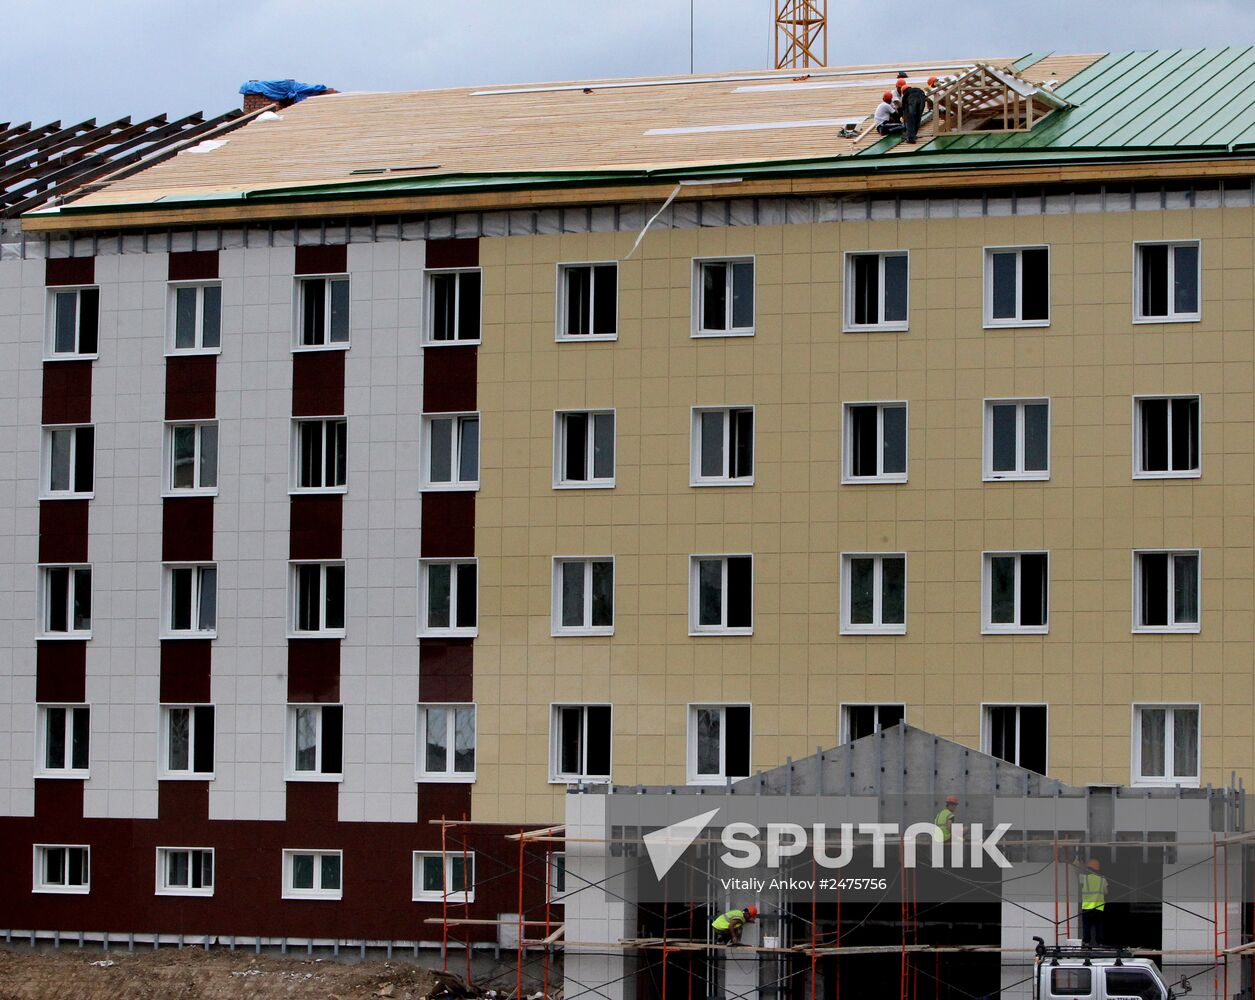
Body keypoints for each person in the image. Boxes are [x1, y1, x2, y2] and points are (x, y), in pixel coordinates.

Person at [1078, 858, 1108, 947]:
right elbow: (1106, 892)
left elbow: (1076, 872)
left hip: (1087, 907)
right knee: (1099, 926)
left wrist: (1080, 865)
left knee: (1087, 926)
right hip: (1099, 907)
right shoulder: (1102, 879)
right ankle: (1100, 943)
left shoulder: (1084, 878)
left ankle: (1086, 942)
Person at [897, 78, 932, 144]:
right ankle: (913, 135)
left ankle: (910, 138)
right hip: (921, 99)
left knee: (911, 118)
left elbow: (905, 111)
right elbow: (926, 98)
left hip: (912, 100)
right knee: (918, 117)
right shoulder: (918, 90)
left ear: (904, 91)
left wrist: (905, 120)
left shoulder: (906, 95)